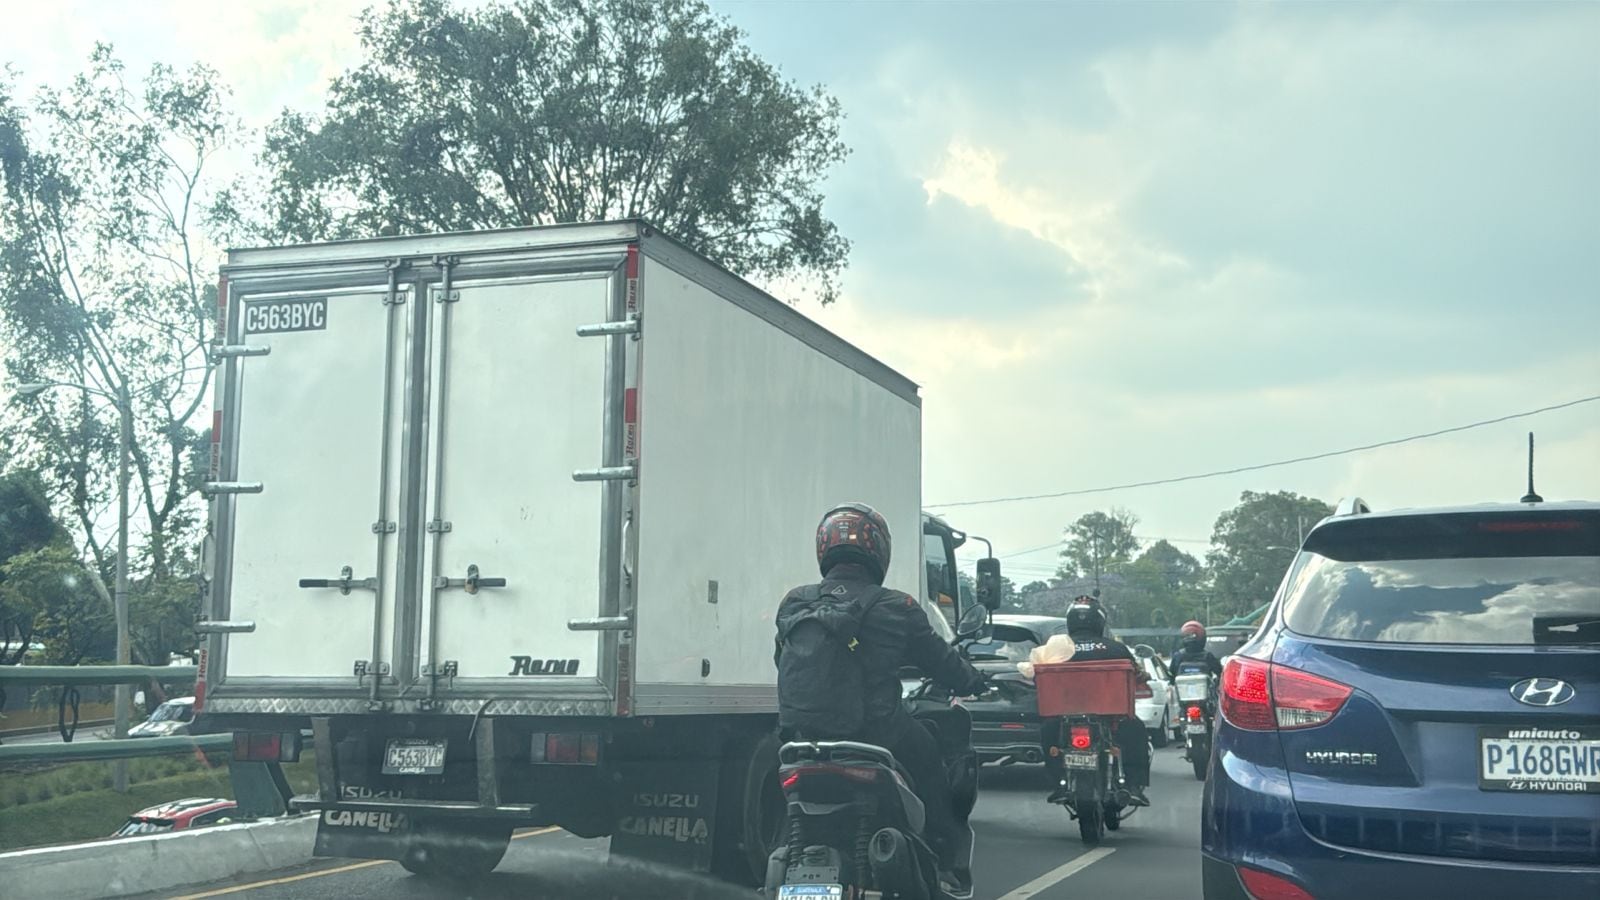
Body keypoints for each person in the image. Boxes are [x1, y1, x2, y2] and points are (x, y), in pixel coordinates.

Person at [775, 502, 986, 892]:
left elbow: (781, 663)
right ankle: (947, 867)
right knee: (932, 768)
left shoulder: (795, 602)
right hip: (878, 735)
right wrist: (974, 681)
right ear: (878, 552)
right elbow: (942, 663)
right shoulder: (897, 606)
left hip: (800, 739)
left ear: (824, 549)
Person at [1043, 597, 1151, 805]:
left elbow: (1037, 674)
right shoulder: (1116, 649)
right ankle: (1134, 786)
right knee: (1136, 729)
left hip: (1065, 714)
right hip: (1110, 715)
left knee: (1048, 730)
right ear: (1099, 622)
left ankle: (1058, 784)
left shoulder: (1054, 650)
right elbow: (1135, 673)